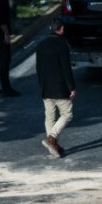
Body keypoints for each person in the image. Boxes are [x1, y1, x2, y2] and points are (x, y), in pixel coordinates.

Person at [35, 20, 76, 158]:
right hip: (60, 88)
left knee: (50, 116)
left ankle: (53, 148)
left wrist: (41, 86)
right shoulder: (62, 45)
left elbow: (38, 68)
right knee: (67, 114)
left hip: (45, 87)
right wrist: (72, 87)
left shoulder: (40, 45)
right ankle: (51, 138)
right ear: (62, 29)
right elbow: (66, 69)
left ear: (50, 28)